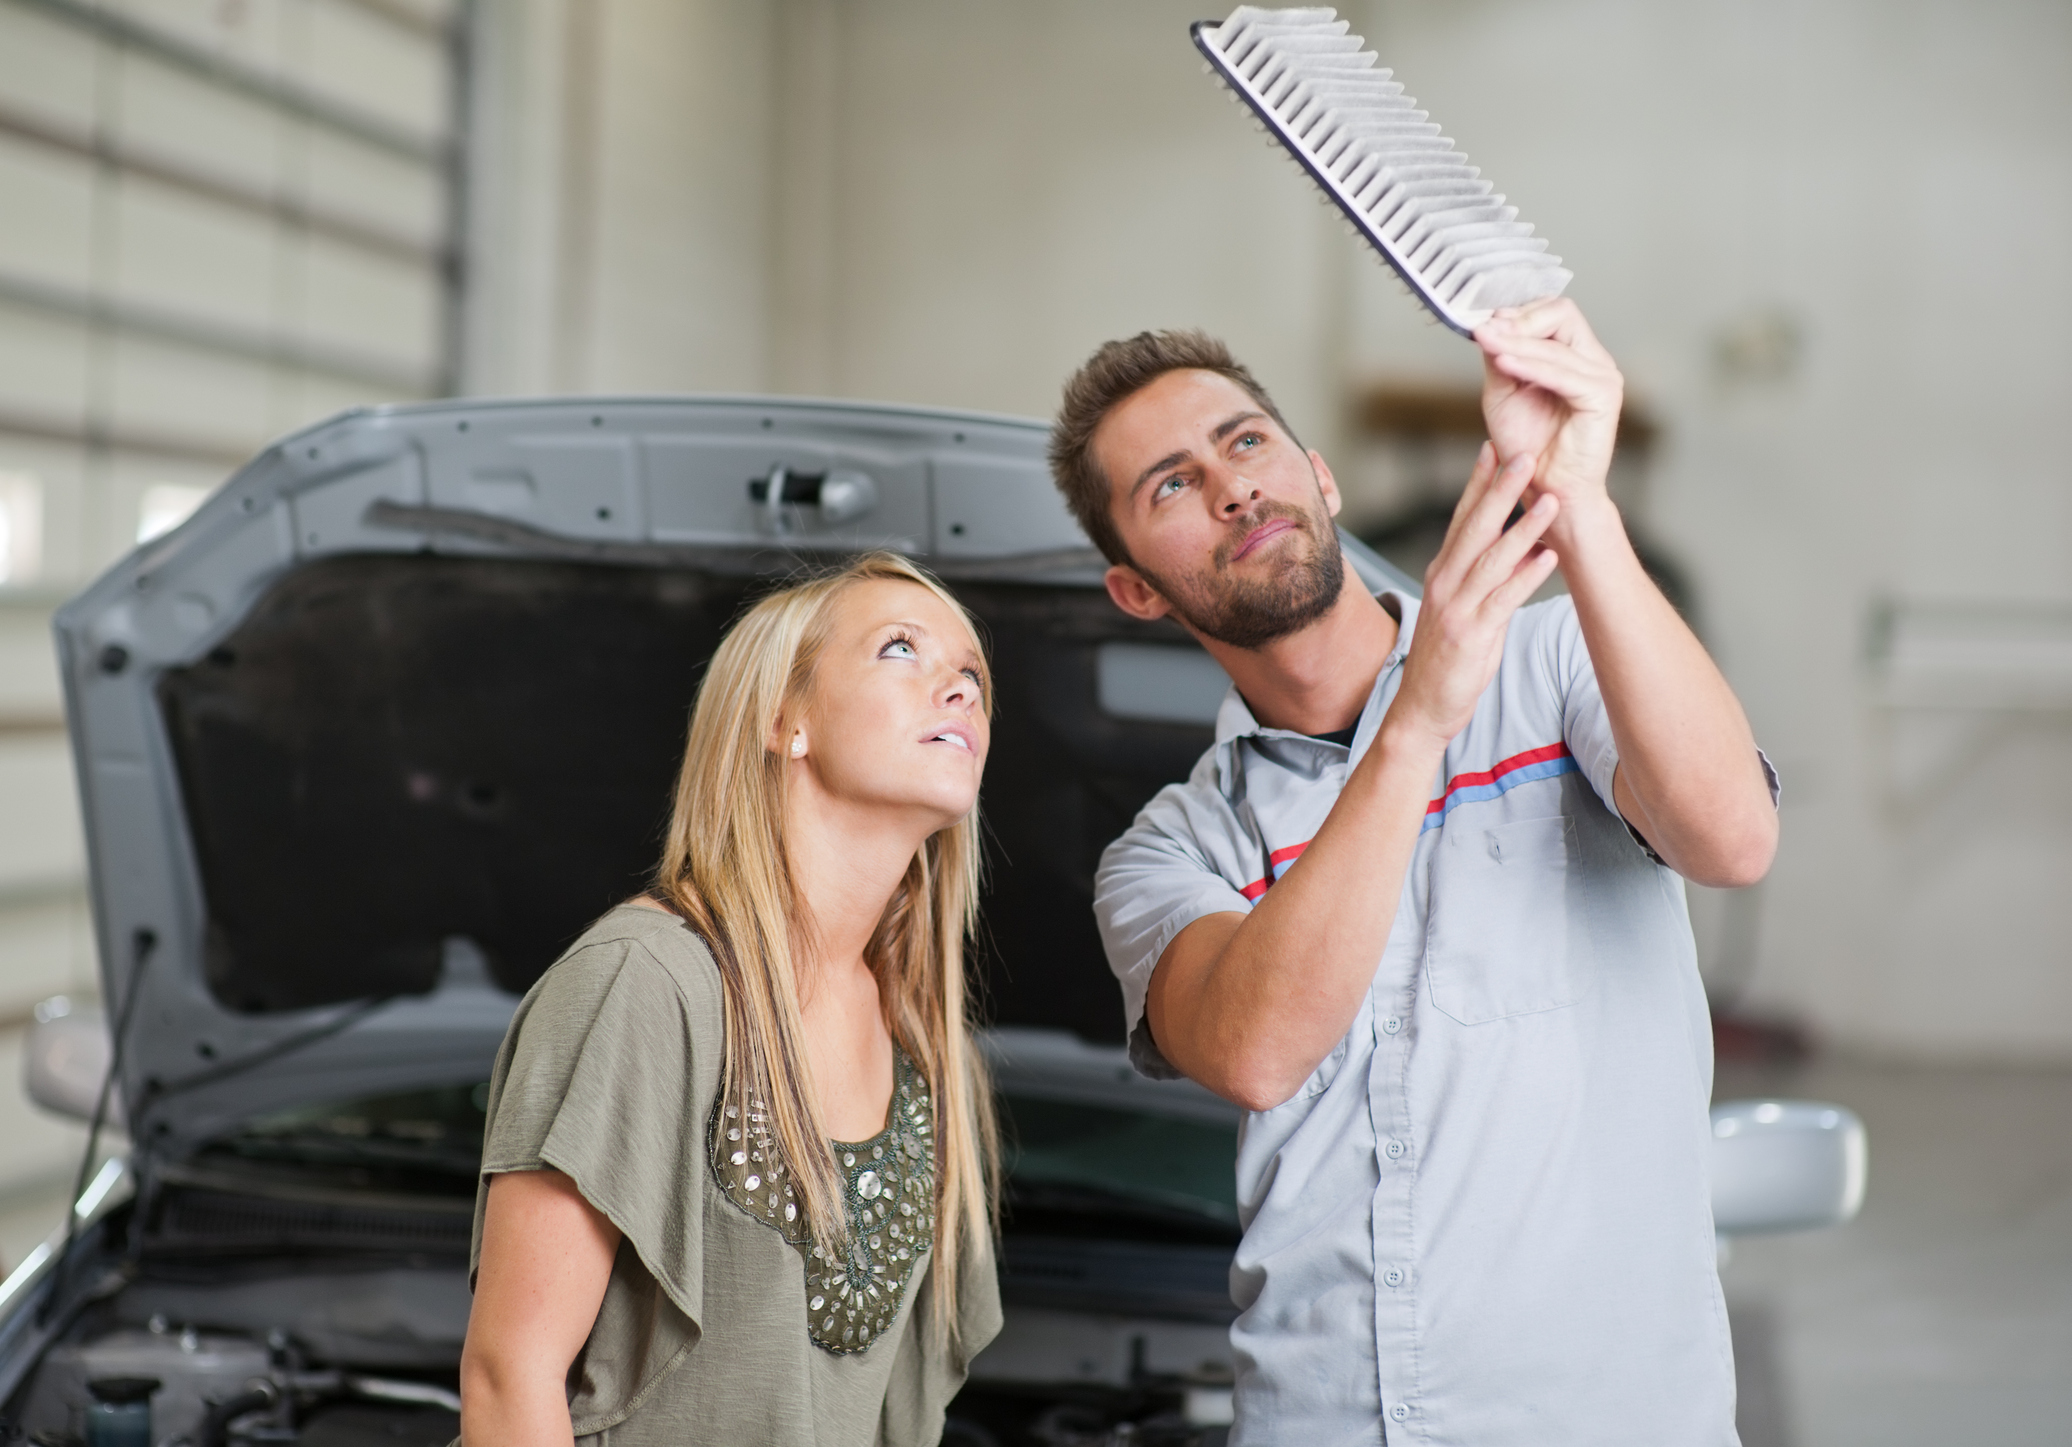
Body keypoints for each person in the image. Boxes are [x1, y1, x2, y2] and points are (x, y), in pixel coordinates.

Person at [1048, 300, 1779, 1445]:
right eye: (1171, 485)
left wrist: (1577, 503)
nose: (1231, 487)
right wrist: (1416, 720)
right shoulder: (1171, 849)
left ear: (1318, 476)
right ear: (1136, 589)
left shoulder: (1556, 667)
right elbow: (1254, 1048)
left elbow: (1731, 838)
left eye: (1245, 442)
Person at [456, 552, 1002, 1446]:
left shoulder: (929, 1047)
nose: (961, 689)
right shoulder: (648, 982)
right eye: (901, 648)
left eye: (973, 673)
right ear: (784, 720)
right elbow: (509, 1378)